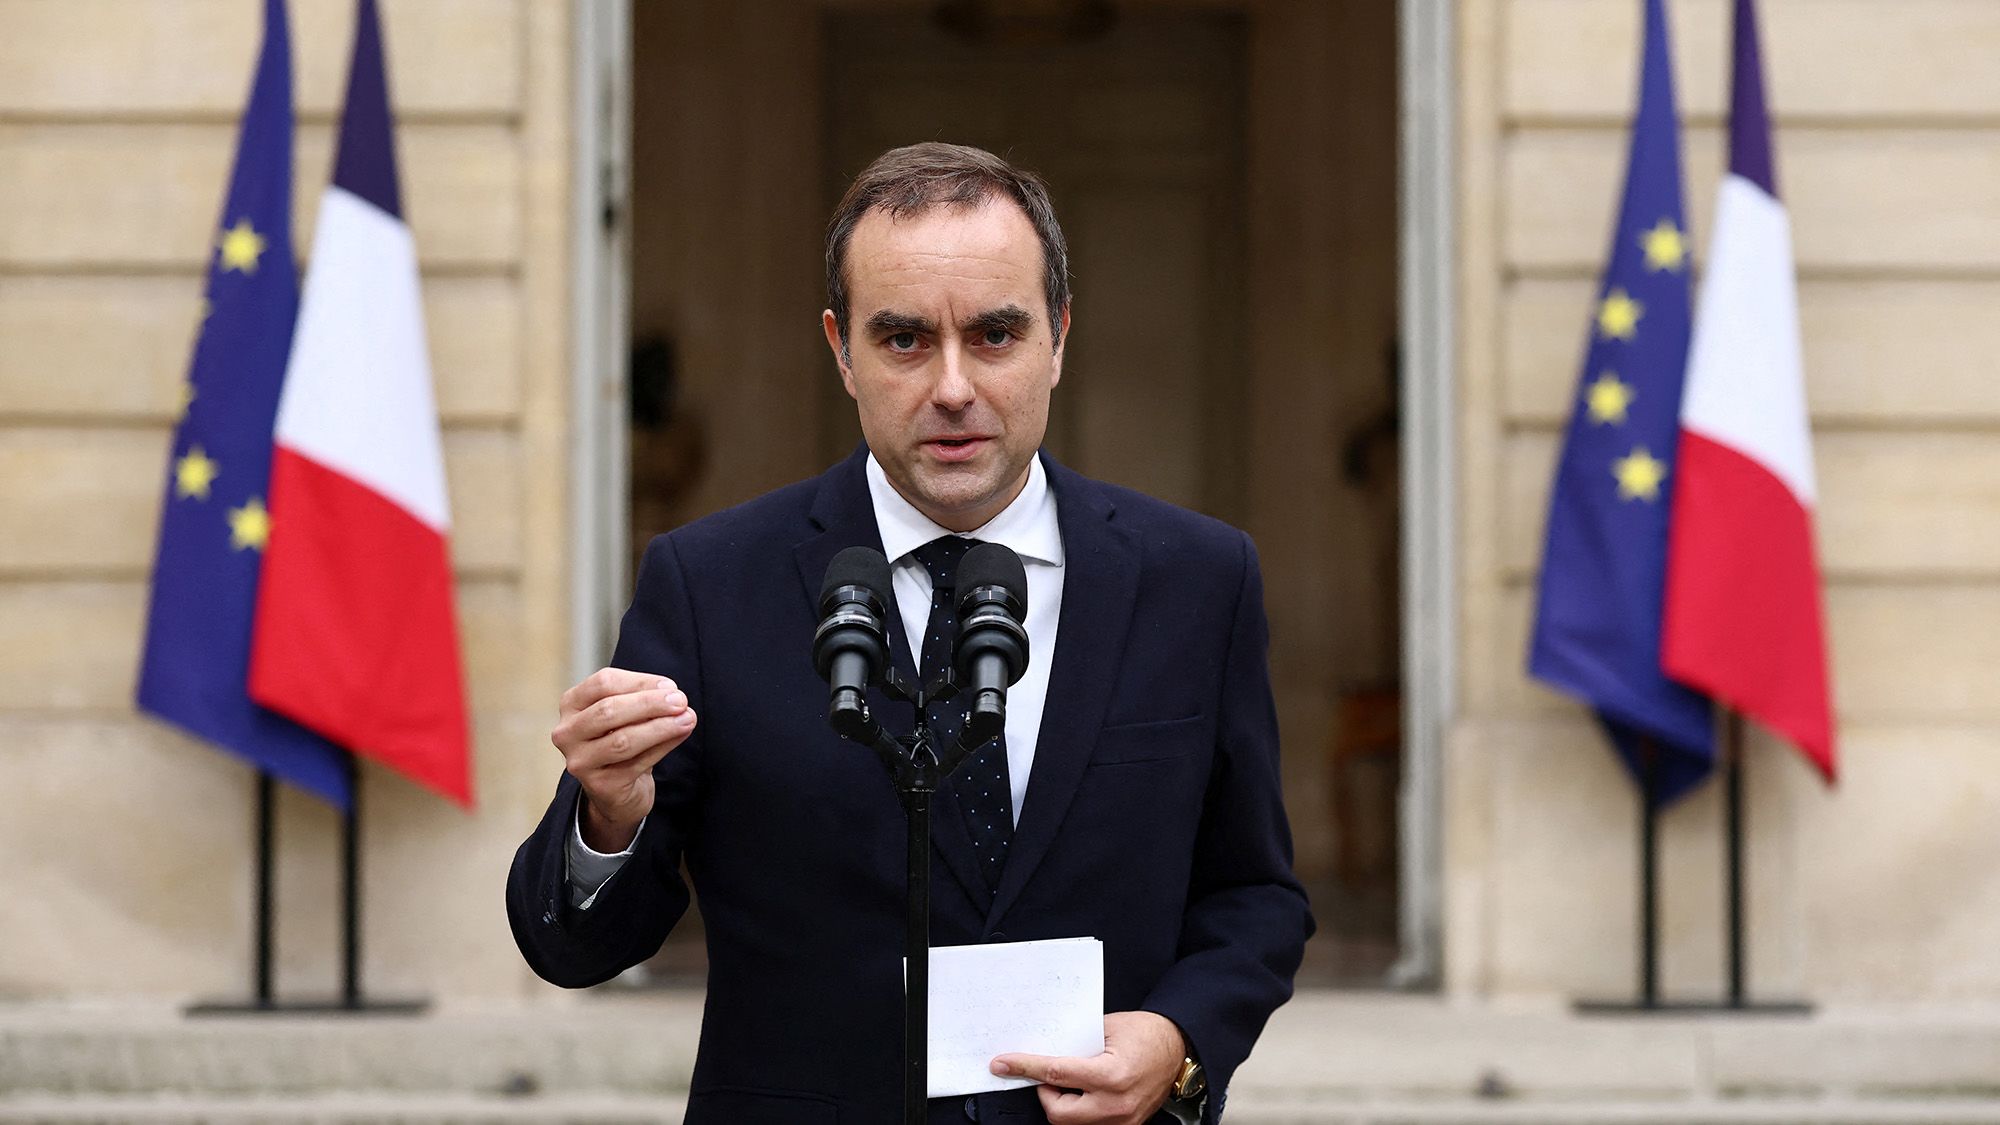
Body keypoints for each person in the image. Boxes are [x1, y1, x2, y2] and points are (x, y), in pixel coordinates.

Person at [508, 143, 1312, 1125]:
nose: (952, 386)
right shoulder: (710, 583)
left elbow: (1255, 896)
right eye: (903, 340)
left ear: (1058, 338)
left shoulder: (1197, 579)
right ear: (841, 350)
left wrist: (1179, 1042)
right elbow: (573, 947)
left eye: (995, 334)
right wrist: (608, 816)